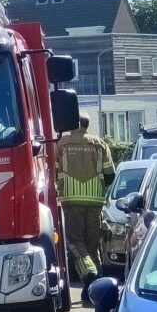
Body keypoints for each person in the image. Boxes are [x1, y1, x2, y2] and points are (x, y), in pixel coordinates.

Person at [57, 115, 114, 302]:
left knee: (74, 241)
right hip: (95, 201)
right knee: (92, 244)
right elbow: (110, 175)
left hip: (71, 200)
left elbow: (53, 170)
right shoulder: (100, 144)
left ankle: (89, 274)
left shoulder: (62, 143)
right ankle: (95, 290)